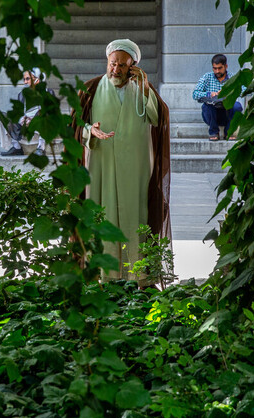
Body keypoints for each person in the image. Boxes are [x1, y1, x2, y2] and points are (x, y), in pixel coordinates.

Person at [71, 39, 171, 281]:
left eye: (122, 66)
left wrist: (145, 87)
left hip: (135, 169)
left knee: (135, 214)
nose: (115, 69)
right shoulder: (91, 89)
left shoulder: (143, 90)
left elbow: (158, 119)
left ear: (132, 66)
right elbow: (75, 125)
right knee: (101, 213)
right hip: (100, 164)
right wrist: (89, 131)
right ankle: (101, 275)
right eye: (112, 64)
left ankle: (137, 277)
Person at [0, 68, 55, 157]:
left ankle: (41, 148)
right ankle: (17, 148)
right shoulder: (22, 94)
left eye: (27, 79)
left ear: (37, 79)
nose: (25, 82)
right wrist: (22, 119)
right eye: (24, 79)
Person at [192, 54, 243, 141]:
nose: (217, 71)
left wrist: (227, 93)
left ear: (226, 66)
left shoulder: (233, 78)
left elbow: (244, 91)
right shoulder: (207, 77)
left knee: (237, 106)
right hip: (211, 115)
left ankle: (229, 132)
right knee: (207, 105)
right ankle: (213, 132)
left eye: (220, 68)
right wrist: (209, 94)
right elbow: (195, 94)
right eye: (214, 68)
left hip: (227, 114)